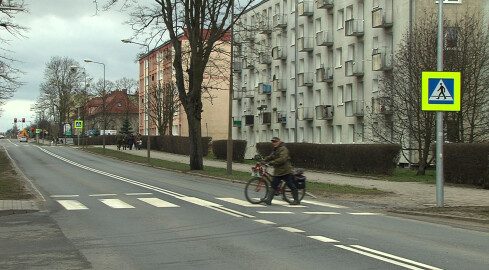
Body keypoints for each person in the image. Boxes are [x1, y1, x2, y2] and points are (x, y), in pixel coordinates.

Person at [262, 137, 299, 205]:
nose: (274, 143)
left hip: (285, 171)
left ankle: (296, 200)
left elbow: (282, 159)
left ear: (279, 142)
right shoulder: (276, 149)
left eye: (275, 142)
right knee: (273, 184)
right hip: (278, 171)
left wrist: (272, 162)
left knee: (290, 184)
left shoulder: (283, 149)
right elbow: (271, 156)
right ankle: (268, 200)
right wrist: (265, 160)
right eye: (273, 142)